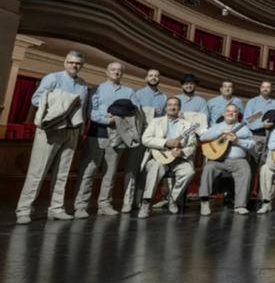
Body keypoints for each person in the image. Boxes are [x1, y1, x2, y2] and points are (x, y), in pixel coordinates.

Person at [15, 51, 88, 224]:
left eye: (78, 63)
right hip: (51, 130)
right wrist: (64, 101)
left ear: (81, 66)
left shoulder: (83, 84)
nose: (74, 66)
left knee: (63, 172)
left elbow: (82, 109)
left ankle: (56, 208)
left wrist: (80, 130)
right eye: (71, 62)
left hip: (71, 131)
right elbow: (36, 99)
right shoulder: (52, 78)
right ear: (65, 62)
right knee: (37, 171)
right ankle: (24, 210)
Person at [73, 61, 139, 218]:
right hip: (97, 134)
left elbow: (134, 112)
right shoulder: (97, 89)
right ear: (106, 72)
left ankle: (104, 204)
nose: (116, 72)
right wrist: (107, 119)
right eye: (113, 70)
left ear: (122, 73)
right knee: (88, 171)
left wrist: (118, 118)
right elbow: (91, 112)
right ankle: (81, 205)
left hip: (119, 136)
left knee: (110, 172)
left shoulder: (129, 92)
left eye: (119, 70)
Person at [137, 97, 197, 219]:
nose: (172, 107)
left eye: (175, 105)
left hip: (178, 159)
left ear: (179, 108)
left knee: (189, 172)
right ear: (166, 107)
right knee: (155, 168)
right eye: (169, 105)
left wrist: (182, 152)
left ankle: (173, 199)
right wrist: (166, 142)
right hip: (158, 157)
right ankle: (146, 203)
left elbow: (192, 144)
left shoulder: (188, 125)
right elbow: (145, 139)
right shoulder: (156, 121)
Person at [123, 68, 167, 213]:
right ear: (145, 78)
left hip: (155, 139)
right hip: (140, 136)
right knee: (133, 169)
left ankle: (140, 201)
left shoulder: (163, 97)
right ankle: (127, 202)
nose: (153, 78)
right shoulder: (138, 94)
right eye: (151, 75)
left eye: (156, 75)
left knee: (148, 171)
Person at [198, 104, 254, 216]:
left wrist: (238, 141)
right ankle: (204, 202)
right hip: (218, 160)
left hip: (238, 160)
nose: (230, 113)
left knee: (245, 169)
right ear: (224, 113)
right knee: (208, 168)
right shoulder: (216, 126)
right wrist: (220, 132)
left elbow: (252, 145)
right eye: (228, 111)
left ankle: (240, 205)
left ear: (237, 114)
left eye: (234, 111)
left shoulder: (244, 128)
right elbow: (202, 137)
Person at [243, 80, 275, 164]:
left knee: (265, 165)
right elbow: (247, 121)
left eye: (268, 87)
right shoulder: (252, 102)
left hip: (270, 138)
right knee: (252, 164)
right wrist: (262, 125)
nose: (265, 89)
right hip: (255, 136)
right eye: (263, 87)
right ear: (260, 88)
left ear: (271, 89)